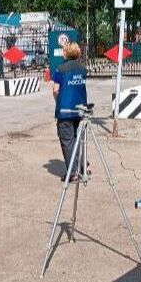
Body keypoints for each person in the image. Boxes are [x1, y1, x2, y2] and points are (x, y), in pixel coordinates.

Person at [52, 42, 87, 180]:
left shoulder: (60, 69)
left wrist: (58, 102)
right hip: (80, 110)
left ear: (66, 52)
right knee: (76, 139)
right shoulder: (83, 69)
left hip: (65, 110)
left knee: (67, 140)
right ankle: (84, 167)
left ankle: (72, 172)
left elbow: (55, 90)